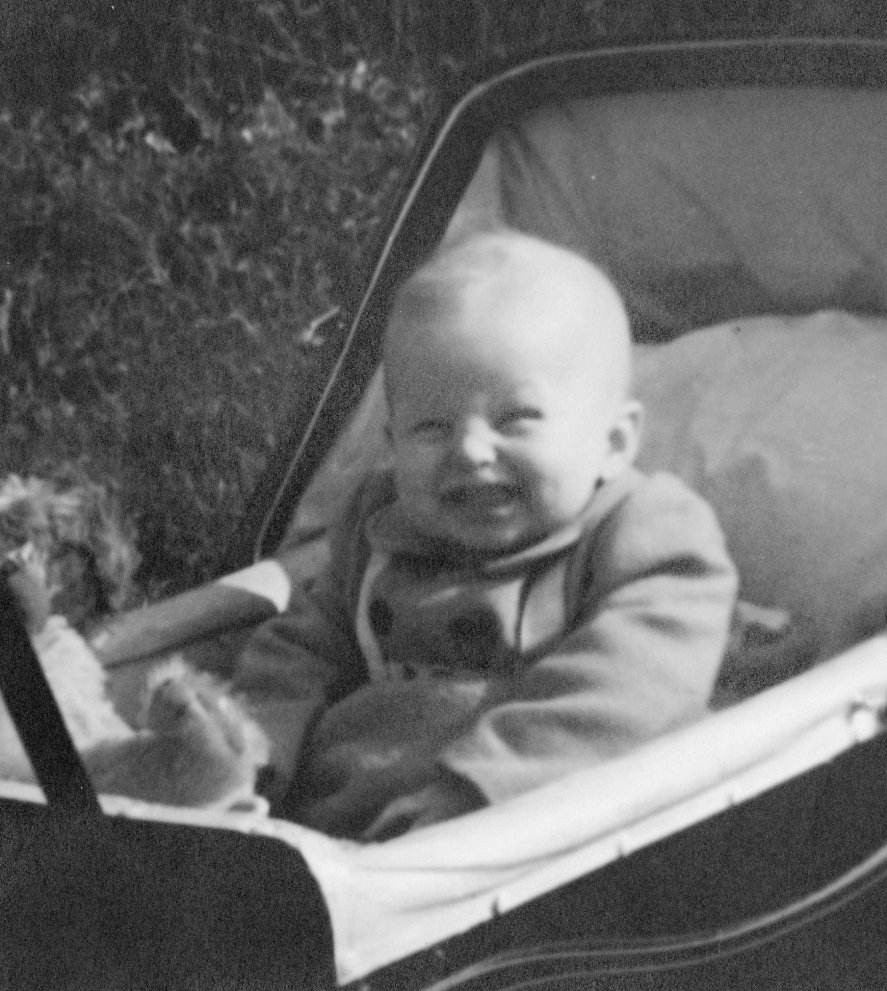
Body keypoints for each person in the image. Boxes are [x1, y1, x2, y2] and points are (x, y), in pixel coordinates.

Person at [233, 229, 738, 841]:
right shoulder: (380, 524)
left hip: (520, 826)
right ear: (391, 446)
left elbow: (628, 687)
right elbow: (299, 651)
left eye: (517, 420)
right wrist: (248, 756)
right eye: (431, 428)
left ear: (614, 443)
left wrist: (479, 791)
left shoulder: (644, 535)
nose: (471, 450)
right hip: (328, 823)